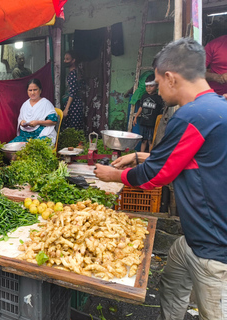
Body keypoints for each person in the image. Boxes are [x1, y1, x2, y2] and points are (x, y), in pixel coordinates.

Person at [94, 38, 227, 320]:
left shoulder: (192, 115)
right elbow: (185, 158)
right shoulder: (214, 107)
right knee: (172, 286)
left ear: (170, 78)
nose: (154, 89)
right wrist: (138, 157)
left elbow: (157, 175)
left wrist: (114, 175)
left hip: (214, 249)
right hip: (194, 239)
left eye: (156, 82)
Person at [9, 78, 58, 144]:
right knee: (11, 146)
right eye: (30, 90)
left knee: (34, 148)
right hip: (25, 137)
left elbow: (53, 122)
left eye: (35, 90)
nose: (32, 93)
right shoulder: (25, 104)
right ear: (27, 91)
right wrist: (22, 122)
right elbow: (20, 119)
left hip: (42, 135)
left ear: (40, 90)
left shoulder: (46, 103)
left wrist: (38, 122)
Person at [132, 74, 164, 152]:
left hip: (152, 124)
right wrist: (136, 116)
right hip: (143, 122)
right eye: (147, 86)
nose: (148, 88)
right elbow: (141, 107)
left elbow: (162, 111)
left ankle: (149, 157)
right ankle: (141, 155)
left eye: (151, 86)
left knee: (150, 141)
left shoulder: (158, 98)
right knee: (143, 140)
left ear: (156, 86)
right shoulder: (144, 96)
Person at [61, 51, 83, 131]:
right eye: (64, 59)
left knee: (72, 129)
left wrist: (66, 108)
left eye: (67, 59)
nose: (65, 61)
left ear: (73, 60)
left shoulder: (73, 74)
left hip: (73, 106)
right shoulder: (75, 72)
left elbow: (72, 92)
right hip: (74, 104)